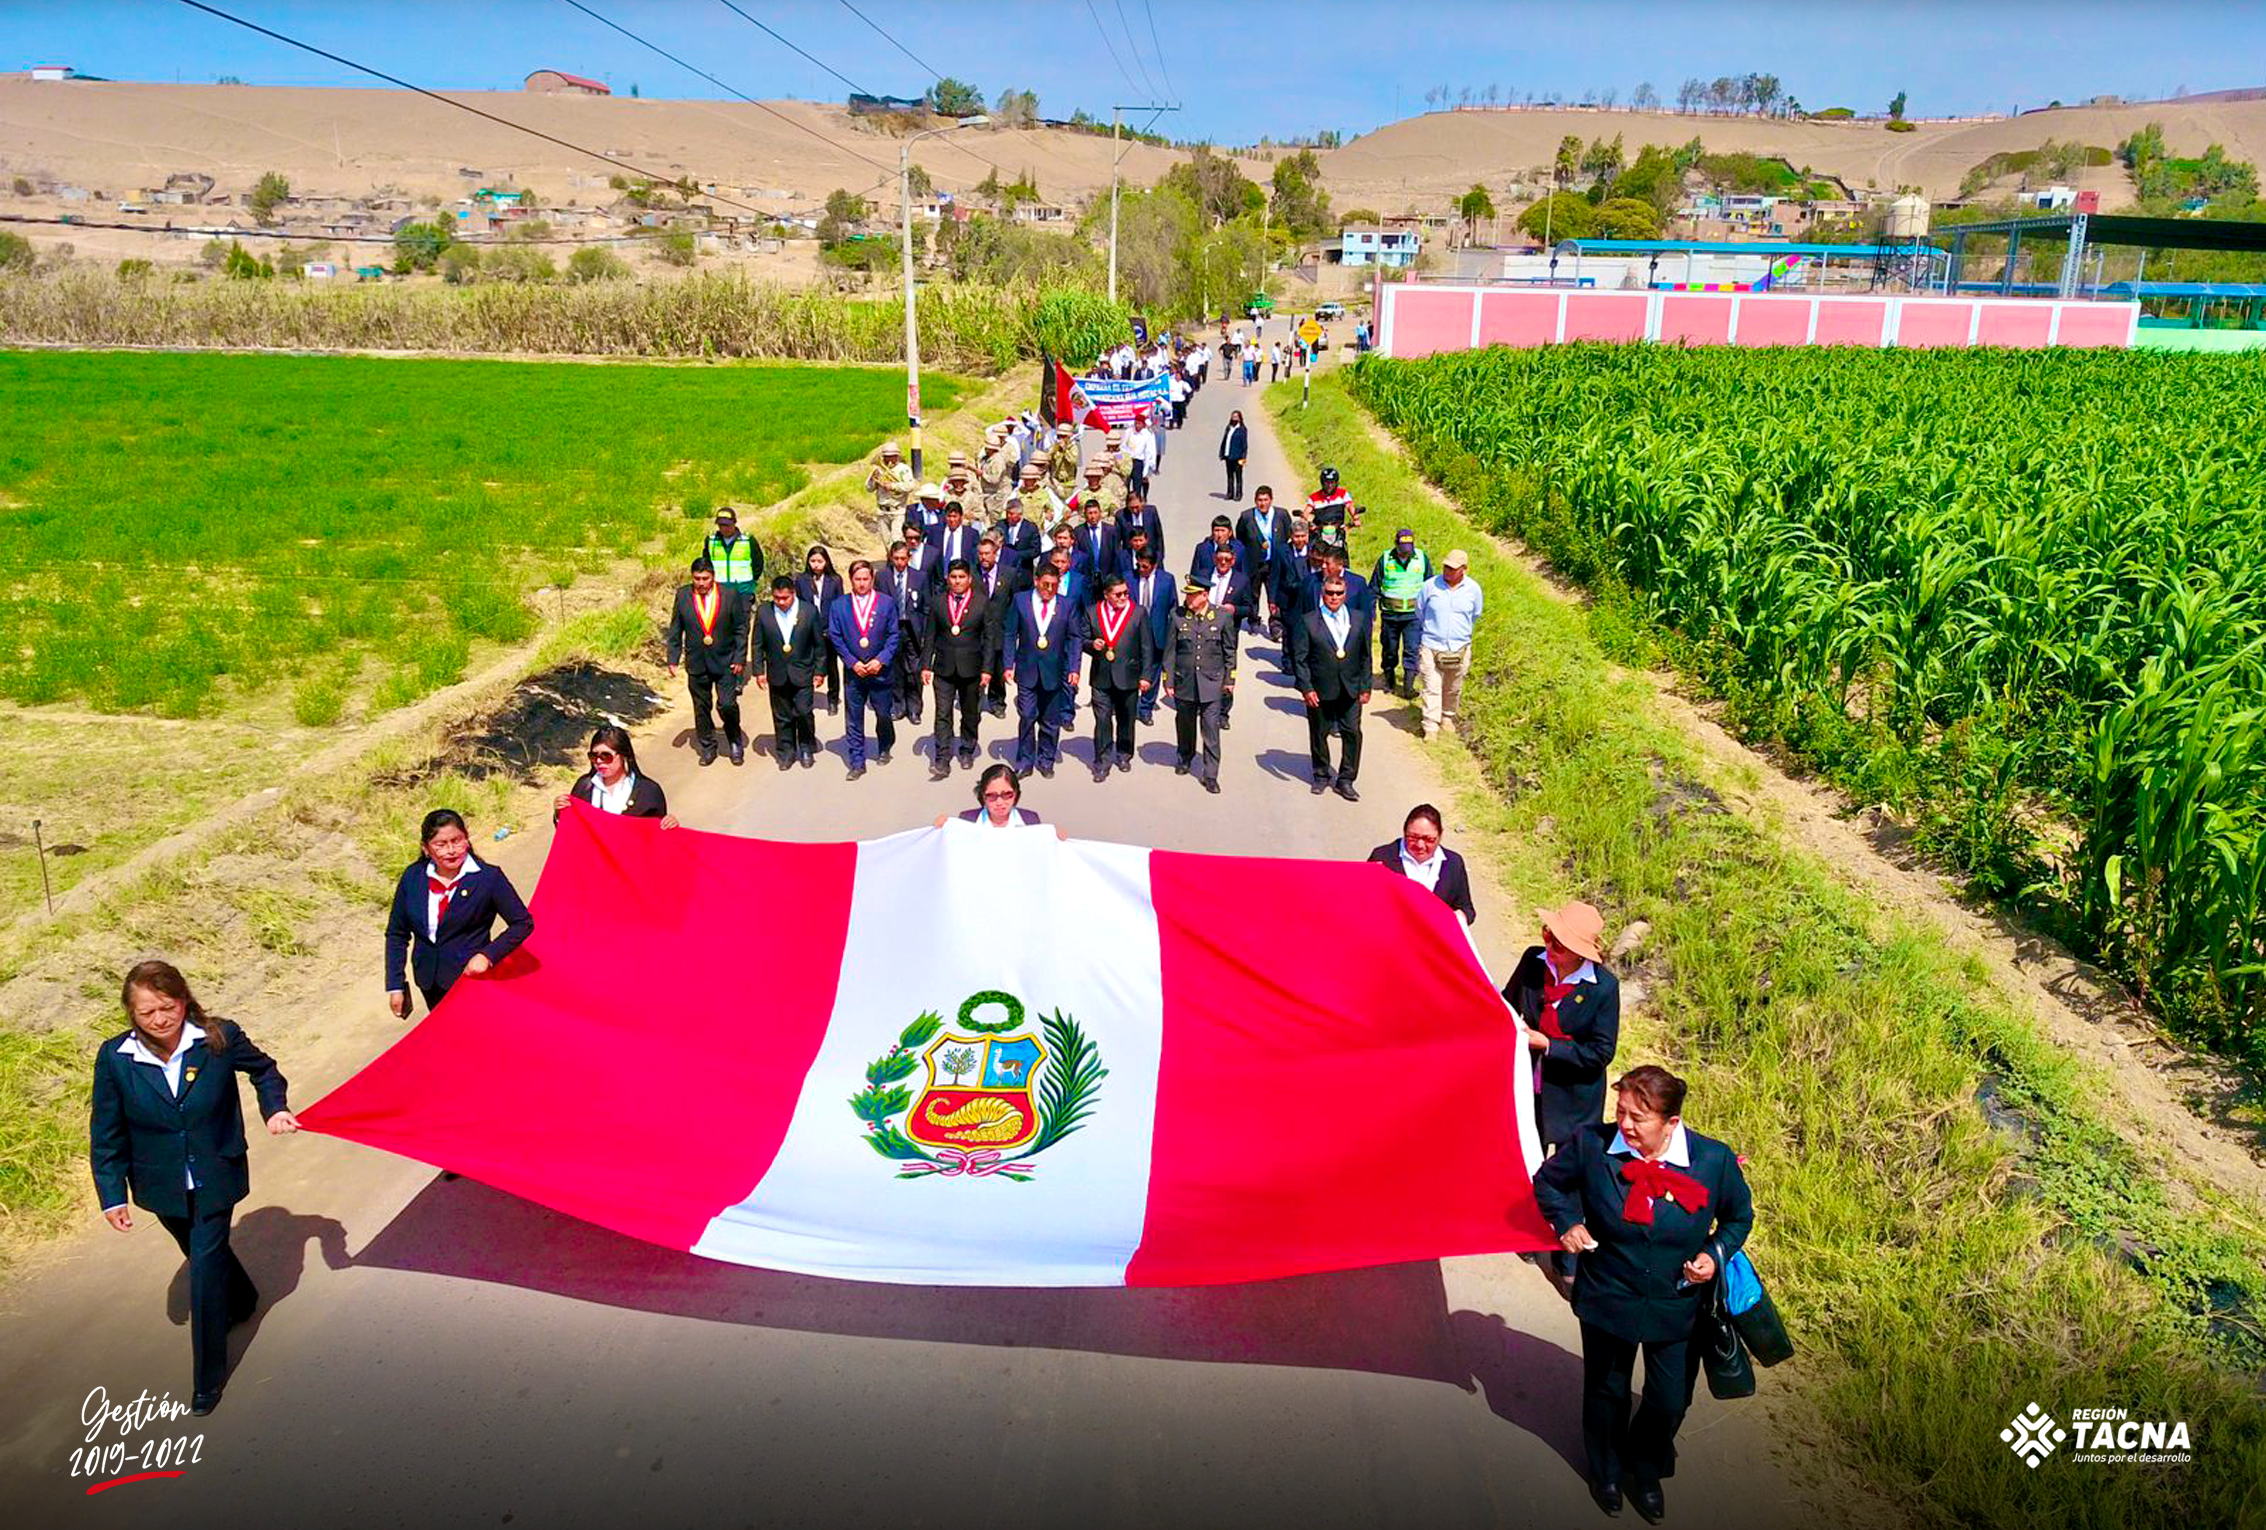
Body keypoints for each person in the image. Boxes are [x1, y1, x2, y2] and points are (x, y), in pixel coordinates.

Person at [1533, 1066, 1753, 1523]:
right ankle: (1607, 1471)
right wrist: (1567, 1223)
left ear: (1672, 1123)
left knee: (1669, 1398)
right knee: (1607, 1390)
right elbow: (1548, 1183)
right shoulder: (1592, 1145)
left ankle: (1646, 1469)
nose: (1625, 1124)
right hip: (1609, 1293)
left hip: (1677, 1302)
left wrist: (1714, 1253)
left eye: (1639, 1117)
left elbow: (1738, 1218)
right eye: (1621, 1112)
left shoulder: (1712, 1160)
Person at [92, 959, 299, 1415]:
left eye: (168, 1007)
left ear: (183, 1000)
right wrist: (111, 1194)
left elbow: (264, 1070)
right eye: (147, 1013)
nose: (160, 1020)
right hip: (158, 1181)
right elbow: (106, 1130)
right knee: (198, 1248)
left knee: (203, 1269)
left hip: (215, 1171)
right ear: (131, 1014)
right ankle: (243, 1297)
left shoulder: (218, 1038)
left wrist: (274, 1109)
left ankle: (207, 1378)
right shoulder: (115, 1058)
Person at [384, 808, 534, 1017]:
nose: (451, 850)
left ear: (467, 840)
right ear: (426, 848)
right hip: (429, 982)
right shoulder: (413, 877)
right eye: (441, 844)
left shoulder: (488, 878)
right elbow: (396, 934)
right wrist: (395, 985)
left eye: (457, 841)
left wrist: (487, 956)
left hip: (471, 981)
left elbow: (523, 923)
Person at [1506, 901, 1621, 1156]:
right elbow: (1507, 1003)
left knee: (1566, 1175)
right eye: (1548, 935)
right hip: (1529, 1085)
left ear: (1580, 952)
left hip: (1574, 1100)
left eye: (1558, 944)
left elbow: (1601, 1052)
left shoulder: (1603, 987)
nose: (1549, 947)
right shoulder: (1532, 961)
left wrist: (1548, 1045)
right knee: (1524, 1162)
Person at [1290, 574, 1372, 801]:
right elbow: (1300, 658)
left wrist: (1366, 686)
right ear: (1322, 593)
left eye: (1338, 593)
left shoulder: (1358, 618)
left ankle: (1346, 779)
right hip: (1320, 689)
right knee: (1319, 732)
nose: (1334, 597)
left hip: (1351, 687)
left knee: (1352, 732)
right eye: (1329, 593)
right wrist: (1307, 688)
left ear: (1345, 595)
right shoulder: (1308, 620)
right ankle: (1321, 773)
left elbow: (1365, 655)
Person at [666, 555, 751, 767]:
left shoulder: (730, 595)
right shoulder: (683, 595)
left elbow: (741, 628)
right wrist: (673, 658)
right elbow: (676, 628)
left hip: (726, 661)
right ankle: (707, 746)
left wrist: (740, 657)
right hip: (697, 662)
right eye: (697, 578)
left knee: (727, 704)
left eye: (705, 578)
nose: (701, 583)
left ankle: (734, 741)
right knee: (701, 707)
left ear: (713, 576)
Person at [922, 558, 997, 779]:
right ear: (947, 578)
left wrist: (987, 669)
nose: (957, 581)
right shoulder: (937, 602)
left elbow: (989, 639)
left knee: (970, 713)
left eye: (961, 577)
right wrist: (926, 665)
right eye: (953, 577)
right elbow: (930, 636)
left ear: (969, 579)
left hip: (972, 669)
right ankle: (942, 757)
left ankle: (966, 749)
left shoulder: (982, 603)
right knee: (942, 714)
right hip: (944, 668)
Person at [1002, 561, 1078, 779]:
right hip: (1027, 670)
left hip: (1055, 671)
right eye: (1045, 584)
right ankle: (1025, 761)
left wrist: (1074, 667)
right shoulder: (1020, 600)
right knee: (1027, 715)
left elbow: (1074, 638)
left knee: (1050, 720)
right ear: (1036, 581)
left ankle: (1046, 760)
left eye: (1054, 585)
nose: (1050, 589)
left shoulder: (1067, 604)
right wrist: (1008, 665)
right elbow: (1010, 633)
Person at [1161, 576, 1235, 793]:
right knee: (1185, 725)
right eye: (1186, 593)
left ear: (1204, 595)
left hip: (1212, 683)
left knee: (1211, 729)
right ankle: (1185, 757)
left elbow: (1230, 651)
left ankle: (1210, 774)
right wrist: (1169, 680)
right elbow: (1170, 652)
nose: (1187, 598)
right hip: (1185, 682)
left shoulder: (1221, 617)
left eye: (1192, 594)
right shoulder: (1177, 616)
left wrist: (1230, 679)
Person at [828, 559, 899, 780]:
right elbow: (835, 636)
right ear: (851, 580)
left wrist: (881, 659)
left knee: (883, 714)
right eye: (857, 579)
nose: (861, 583)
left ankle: (885, 745)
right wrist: (851, 662)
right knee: (853, 718)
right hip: (854, 672)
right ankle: (857, 762)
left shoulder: (886, 603)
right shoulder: (838, 605)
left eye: (865, 579)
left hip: (880, 671)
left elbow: (894, 635)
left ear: (872, 579)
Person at [1079, 572, 1152, 781]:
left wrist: (1146, 676)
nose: (1123, 597)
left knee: (1126, 718)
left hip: (1129, 675)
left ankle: (1123, 753)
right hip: (1101, 676)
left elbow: (1146, 646)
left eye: (1126, 593)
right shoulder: (1093, 612)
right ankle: (1102, 760)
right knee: (1102, 719)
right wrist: (1092, 645)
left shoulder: (1138, 613)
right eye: (1118, 594)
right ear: (1106, 595)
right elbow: (1082, 638)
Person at [754, 574, 828, 770]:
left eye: (785, 598)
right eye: (777, 598)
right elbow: (757, 645)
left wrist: (820, 671)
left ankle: (805, 747)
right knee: (782, 716)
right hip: (777, 673)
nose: (781, 602)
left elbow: (819, 645)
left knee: (804, 712)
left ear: (793, 594)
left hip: (803, 672)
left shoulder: (808, 611)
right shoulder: (764, 612)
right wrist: (759, 672)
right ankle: (786, 752)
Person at [1416, 548, 1484, 741]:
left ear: (1464, 569)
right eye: (1446, 566)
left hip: (1460, 647)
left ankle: (1447, 716)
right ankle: (1430, 726)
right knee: (1431, 686)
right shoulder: (1430, 586)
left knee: (1453, 686)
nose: (1447, 571)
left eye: (1452, 568)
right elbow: (1419, 611)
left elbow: (1475, 614)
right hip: (1431, 644)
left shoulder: (1473, 590)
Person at [1367, 803, 1477, 922]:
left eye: (1428, 839)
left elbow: (1466, 908)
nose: (1420, 845)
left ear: (1440, 835)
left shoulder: (1453, 863)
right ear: (1404, 832)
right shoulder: (1383, 857)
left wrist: (1461, 916)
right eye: (1412, 837)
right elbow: (1364, 899)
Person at [554, 724, 676, 821]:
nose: (599, 761)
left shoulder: (649, 791)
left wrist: (669, 825)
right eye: (593, 756)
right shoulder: (584, 788)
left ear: (624, 755)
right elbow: (571, 835)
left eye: (606, 756)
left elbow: (657, 839)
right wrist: (560, 813)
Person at [1370, 529, 1433, 699]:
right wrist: (1371, 610)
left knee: (1412, 649)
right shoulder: (1385, 559)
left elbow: (1430, 586)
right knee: (1390, 649)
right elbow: (1374, 587)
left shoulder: (1421, 558)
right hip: (1390, 615)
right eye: (1402, 547)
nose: (1406, 551)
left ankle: (1408, 686)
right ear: (1396, 544)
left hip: (1413, 616)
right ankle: (1389, 678)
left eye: (1409, 547)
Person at [934, 764, 1068, 839]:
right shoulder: (967, 819)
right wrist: (940, 831)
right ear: (982, 796)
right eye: (992, 796)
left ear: (1016, 794)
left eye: (1007, 795)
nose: (999, 802)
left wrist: (1055, 837)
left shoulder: (1030, 820)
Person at [1200, 542, 1251, 727]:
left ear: (1233, 560)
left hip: (1228, 633)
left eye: (1227, 560)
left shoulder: (1242, 580)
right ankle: (1204, 704)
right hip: (1203, 631)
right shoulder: (1204, 575)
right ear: (1214, 558)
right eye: (1220, 559)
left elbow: (1250, 609)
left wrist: (1235, 609)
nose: (1223, 563)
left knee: (1227, 671)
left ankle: (1223, 712)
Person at [883, 540, 931, 725]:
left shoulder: (920, 577)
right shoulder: (883, 577)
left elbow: (926, 607)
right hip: (892, 630)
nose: (900, 562)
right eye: (896, 558)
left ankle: (914, 709)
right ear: (891, 558)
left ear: (909, 558)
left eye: (903, 558)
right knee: (895, 670)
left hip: (913, 630)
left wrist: (925, 631)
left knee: (914, 670)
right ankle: (899, 706)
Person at [794, 545, 845, 715]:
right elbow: (798, 605)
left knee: (831, 666)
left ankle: (832, 699)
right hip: (808, 629)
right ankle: (806, 698)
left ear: (826, 562)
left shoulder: (835, 580)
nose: (816, 565)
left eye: (820, 561)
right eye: (813, 561)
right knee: (808, 665)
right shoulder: (801, 580)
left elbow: (839, 606)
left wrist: (834, 628)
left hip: (829, 629)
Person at [1236, 483, 1291, 638]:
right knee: (1253, 592)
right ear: (1255, 501)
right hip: (1254, 563)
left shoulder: (1281, 515)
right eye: (1260, 500)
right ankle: (1254, 620)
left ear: (1271, 500)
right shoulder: (1247, 516)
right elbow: (1240, 537)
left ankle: (1276, 623)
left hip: (1275, 563)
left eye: (1266, 500)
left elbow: (1288, 534)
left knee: (1276, 593)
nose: (1263, 503)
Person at [1128, 549, 1174, 726]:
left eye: (1145, 566)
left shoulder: (1167, 580)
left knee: (1153, 671)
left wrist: (1172, 634)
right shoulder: (1129, 577)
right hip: (1132, 632)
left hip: (1157, 632)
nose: (1141, 569)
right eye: (1138, 565)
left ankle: (1146, 707)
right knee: (1131, 669)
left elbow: (1172, 607)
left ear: (1154, 565)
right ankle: (1130, 705)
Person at [975, 534, 1014, 718]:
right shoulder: (972, 574)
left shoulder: (1008, 574)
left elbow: (1014, 602)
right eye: (981, 554)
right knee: (975, 669)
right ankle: (974, 701)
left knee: (998, 670)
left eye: (987, 554)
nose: (984, 557)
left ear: (995, 554)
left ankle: (997, 702)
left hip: (1000, 630)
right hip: (976, 632)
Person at [702, 507, 764, 600]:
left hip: (743, 591)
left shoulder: (747, 540)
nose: (724, 528)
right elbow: (706, 563)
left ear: (734, 523)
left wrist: (750, 584)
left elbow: (758, 564)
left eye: (727, 525)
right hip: (718, 592)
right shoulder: (711, 540)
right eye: (721, 525)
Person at [863, 441, 915, 537]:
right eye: (886, 456)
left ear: (897, 456)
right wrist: (873, 478)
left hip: (898, 511)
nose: (889, 459)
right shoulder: (879, 469)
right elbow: (869, 488)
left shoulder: (904, 469)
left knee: (896, 539)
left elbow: (910, 486)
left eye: (892, 456)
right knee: (886, 542)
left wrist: (893, 486)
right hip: (882, 511)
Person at [1115, 487, 1167, 571]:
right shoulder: (1121, 516)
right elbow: (1117, 540)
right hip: (1131, 557)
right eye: (1132, 508)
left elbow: (1158, 535)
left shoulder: (1151, 511)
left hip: (1150, 555)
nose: (1135, 510)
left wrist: (1160, 555)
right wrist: (1120, 557)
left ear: (1142, 503)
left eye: (1137, 507)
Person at [978, 423, 1018, 519]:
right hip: (988, 488)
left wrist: (999, 455)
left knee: (997, 515)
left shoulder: (1009, 447)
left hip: (1002, 486)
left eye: (1000, 436)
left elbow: (1013, 461)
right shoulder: (988, 448)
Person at [934, 500, 982, 570]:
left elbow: (974, 558)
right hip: (939, 577)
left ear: (961, 517)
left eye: (955, 516)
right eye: (949, 516)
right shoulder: (935, 533)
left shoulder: (971, 534)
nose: (952, 519)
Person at [1219, 410, 1250, 502]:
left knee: (1238, 476)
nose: (1234, 418)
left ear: (1240, 418)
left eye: (1236, 417)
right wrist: (1222, 453)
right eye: (1233, 416)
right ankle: (1230, 493)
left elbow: (1244, 445)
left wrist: (1243, 458)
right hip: (1228, 456)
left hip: (1238, 457)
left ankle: (1239, 494)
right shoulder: (1229, 428)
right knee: (1229, 476)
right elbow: (1225, 441)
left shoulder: (1242, 429)